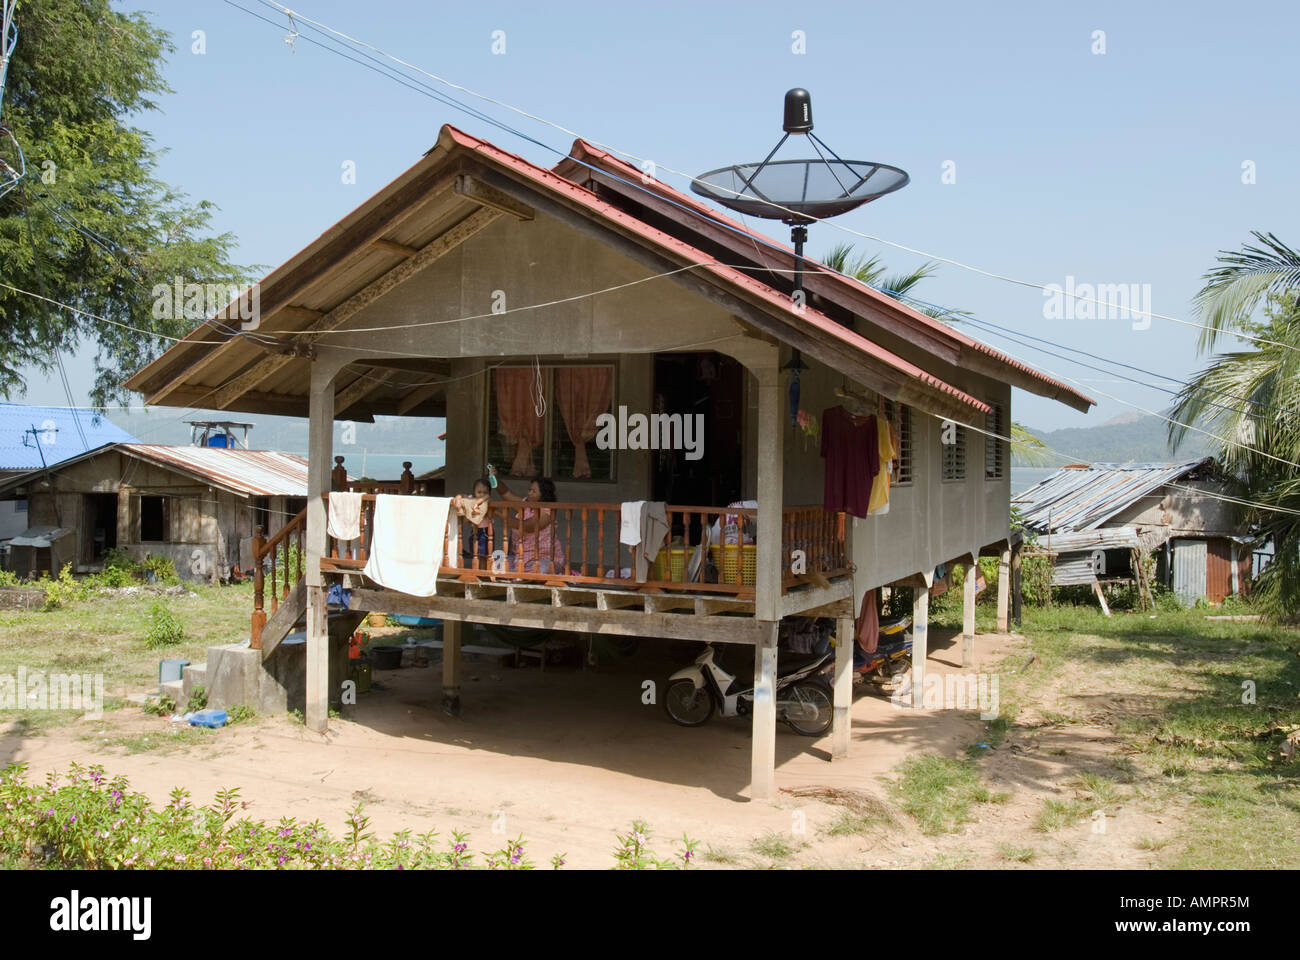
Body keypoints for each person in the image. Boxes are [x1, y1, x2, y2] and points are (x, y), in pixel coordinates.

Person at [495, 473, 567, 574]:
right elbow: (506, 494)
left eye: (534, 491)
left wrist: (496, 513)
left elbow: (526, 526)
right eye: (530, 490)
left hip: (544, 559)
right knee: (497, 563)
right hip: (521, 558)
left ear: (543, 494)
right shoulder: (527, 504)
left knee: (541, 569)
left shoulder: (547, 512)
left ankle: (517, 575)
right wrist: (493, 477)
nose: (529, 493)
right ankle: (518, 574)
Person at [451, 477, 494, 566]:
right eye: (479, 492)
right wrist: (458, 500)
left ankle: (483, 572)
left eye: (485, 492)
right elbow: (461, 495)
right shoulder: (471, 499)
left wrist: (477, 504)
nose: (482, 494)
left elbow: (486, 497)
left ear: (489, 492)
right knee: (475, 553)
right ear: (474, 492)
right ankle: (476, 571)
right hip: (474, 530)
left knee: (485, 554)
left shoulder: (487, 500)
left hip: (486, 531)